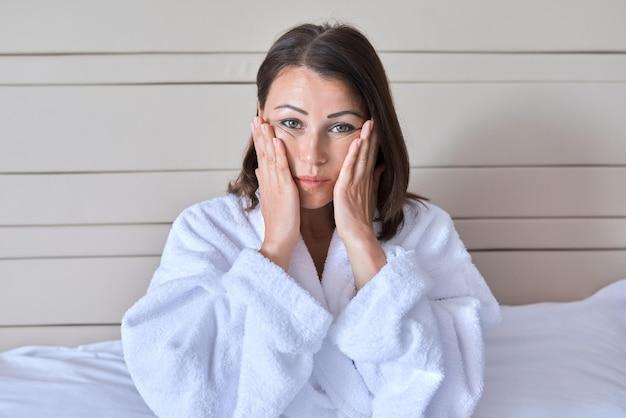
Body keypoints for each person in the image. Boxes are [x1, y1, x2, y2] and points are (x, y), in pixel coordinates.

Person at [121, 21, 503, 418]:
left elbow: (444, 394)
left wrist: (363, 246)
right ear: (260, 122)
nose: (311, 154)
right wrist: (275, 249)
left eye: (340, 127)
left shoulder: (424, 230)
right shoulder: (206, 231)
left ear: (374, 130)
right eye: (291, 123)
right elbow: (186, 392)